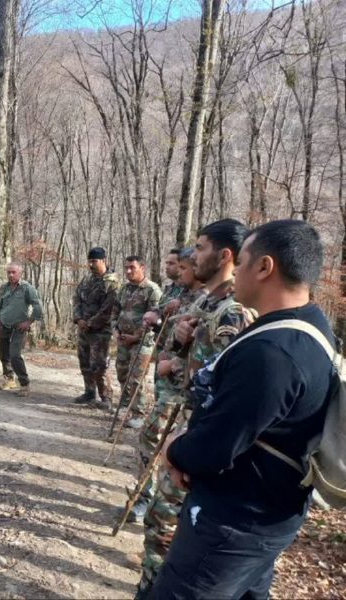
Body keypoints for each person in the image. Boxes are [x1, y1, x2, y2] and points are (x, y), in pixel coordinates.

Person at [149, 219, 334, 599]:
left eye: (243, 262)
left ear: (265, 267)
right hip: (263, 513)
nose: (235, 274)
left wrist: (175, 450)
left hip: (235, 521)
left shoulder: (274, 352)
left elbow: (215, 447)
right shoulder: (308, 326)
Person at [135, 218, 253, 598]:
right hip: (184, 420)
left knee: (169, 524)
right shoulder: (206, 300)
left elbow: (226, 384)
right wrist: (182, 340)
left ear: (225, 255)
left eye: (200, 248)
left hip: (202, 436)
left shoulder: (234, 311)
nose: (193, 254)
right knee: (159, 519)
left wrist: (179, 364)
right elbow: (193, 355)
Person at [123, 249, 205, 525]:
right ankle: (146, 496)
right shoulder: (178, 293)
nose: (177, 271)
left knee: (157, 441)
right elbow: (167, 328)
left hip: (184, 390)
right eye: (175, 266)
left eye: (182, 267)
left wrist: (174, 366)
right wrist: (158, 316)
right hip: (166, 380)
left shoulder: (211, 303)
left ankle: (152, 502)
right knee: (152, 440)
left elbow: (209, 358)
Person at [112, 256, 162, 429]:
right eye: (126, 267)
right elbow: (116, 311)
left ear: (142, 268)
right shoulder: (124, 289)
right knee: (122, 373)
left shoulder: (152, 290)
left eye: (132, 267)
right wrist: (116, 330)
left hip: (142, 343)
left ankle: (138, 413)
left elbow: (155, 319)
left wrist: (136, 336)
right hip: (123, 339)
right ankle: (124, 406)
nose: (128, 271)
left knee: (136, 378)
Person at [72, 247, 119, 409]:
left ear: (104, 261)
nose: (91, 265)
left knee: (100, 365)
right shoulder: (86, 280)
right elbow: (77, 299)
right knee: (84, 361)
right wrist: (78, 319)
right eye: (90, 261)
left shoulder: (111, 283)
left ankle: (106, 397)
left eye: (95, 261)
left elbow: (108, 308)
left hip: (100, 332)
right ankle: (89, 392)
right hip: (83, 329)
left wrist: (90, 323)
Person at [0, 263, 43, 398]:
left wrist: (29, 322)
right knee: (4, 355)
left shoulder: (27, 288)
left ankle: (24, 383)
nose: (10, 275)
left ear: (20, 273)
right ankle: (9, 379)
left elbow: (37, 306)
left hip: (19, 328)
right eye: (8, 272)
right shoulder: (3, 288)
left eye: (13, 272)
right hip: (4, 326)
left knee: (15, 354)